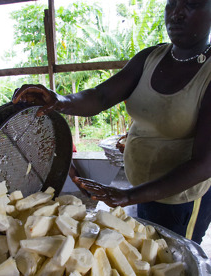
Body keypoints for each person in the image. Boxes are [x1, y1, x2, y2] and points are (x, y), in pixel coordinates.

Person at [12, 0, 211, 244]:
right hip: (141, 190)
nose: (177, 13)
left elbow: (204, 164)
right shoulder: (151, 57)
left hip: (181, 201)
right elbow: (101, 95)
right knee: (150, 254)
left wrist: (128, 196)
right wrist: (59, 101)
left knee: (179, 264)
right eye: (172, 3)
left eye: (191, 4)